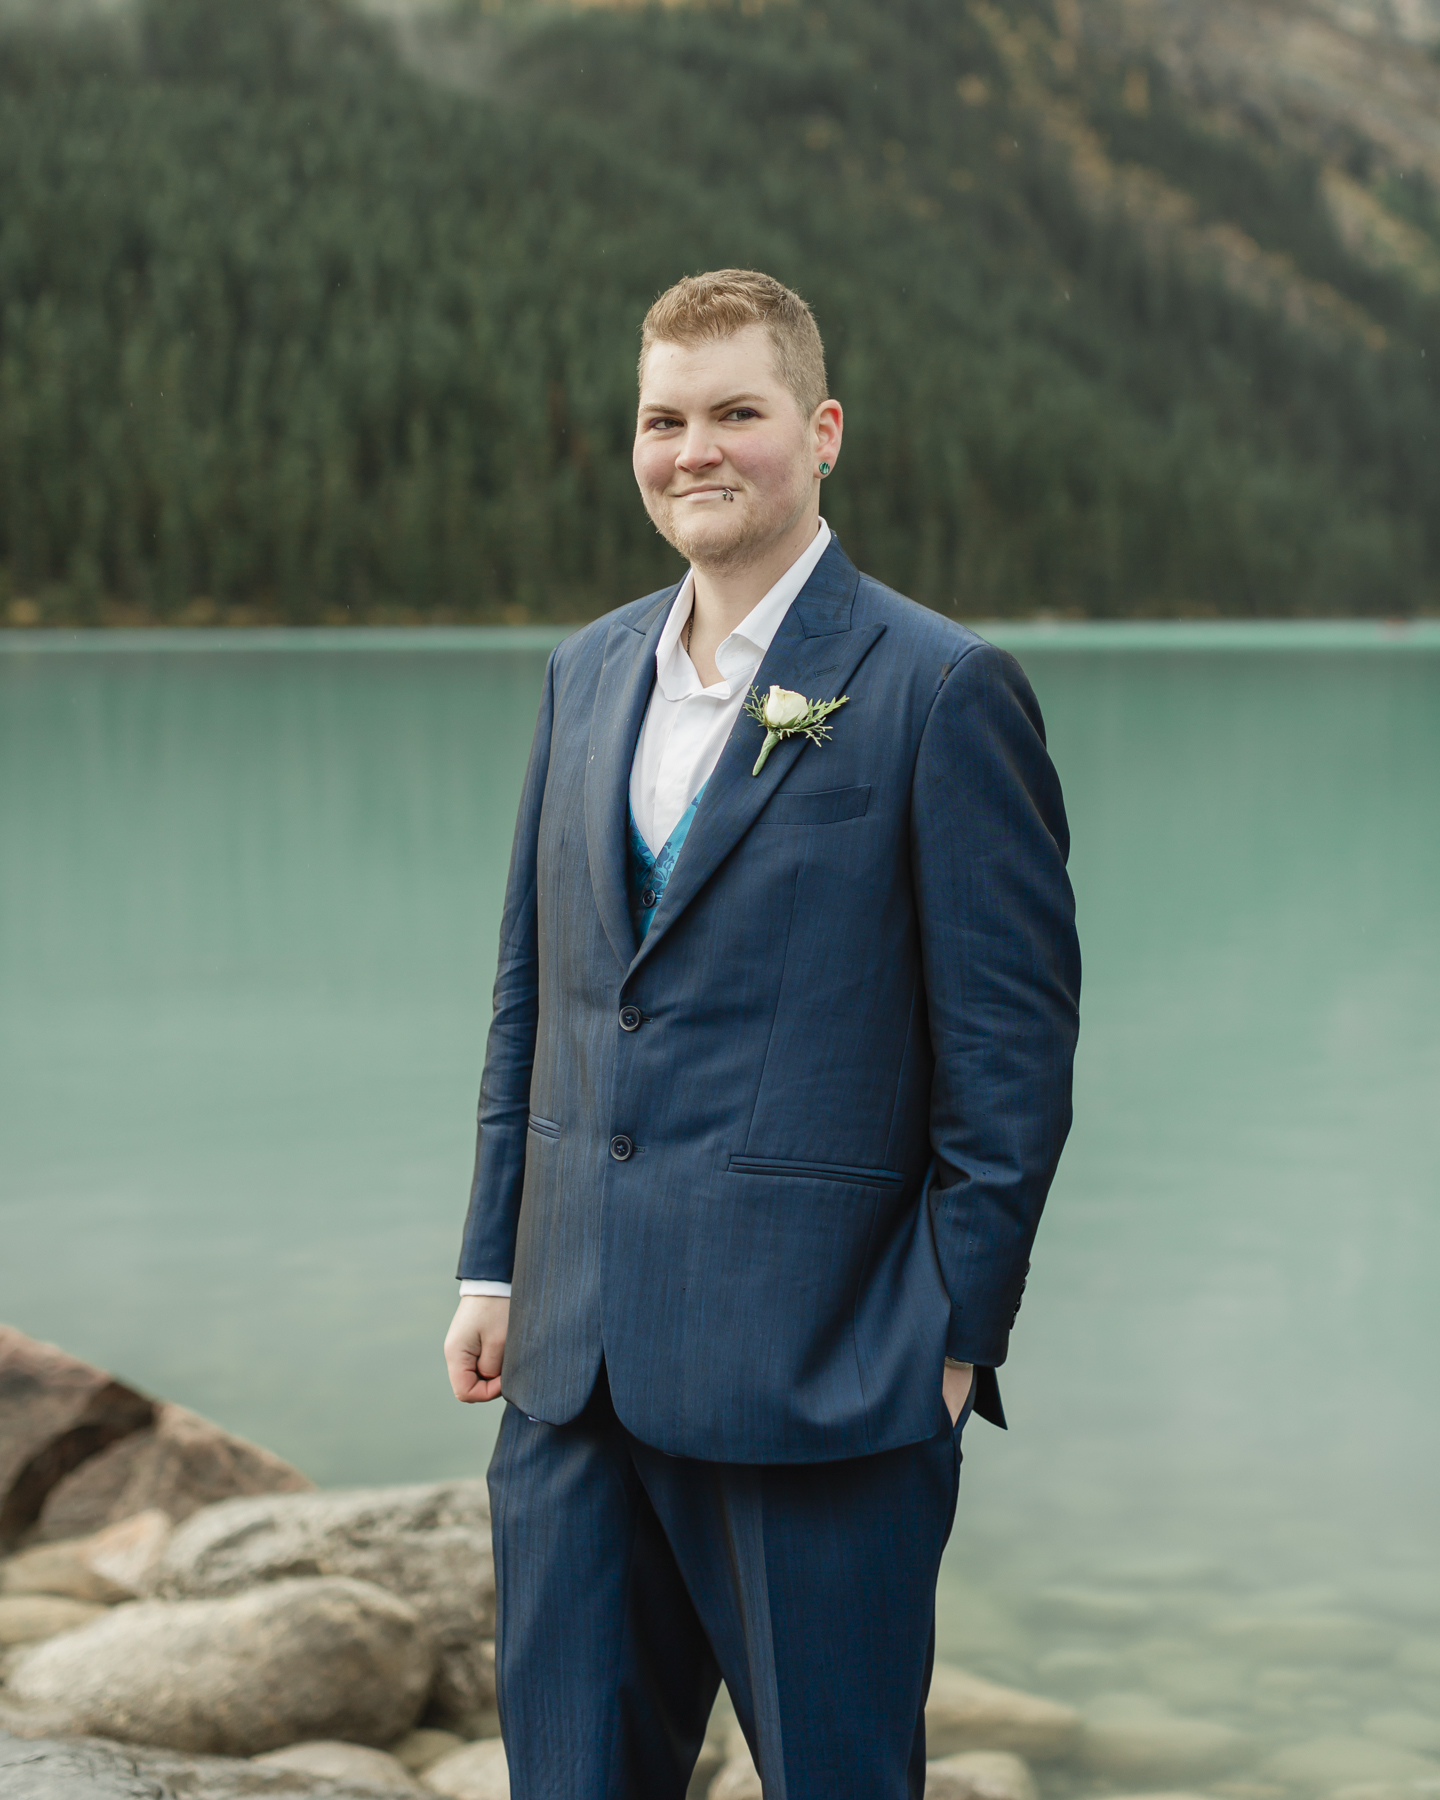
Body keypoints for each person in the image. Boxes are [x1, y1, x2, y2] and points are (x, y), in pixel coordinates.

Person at [443, 269, 1080, 1800]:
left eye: (739, 412)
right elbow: (538, 992)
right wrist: (494, 1262)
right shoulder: (583, 674)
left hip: (824, 1379)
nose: (696, 452)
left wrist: (945, 1340)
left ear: (823, 430)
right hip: (572, 1372)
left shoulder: (942, 688)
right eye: (666, 419)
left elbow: (1012, 1061)